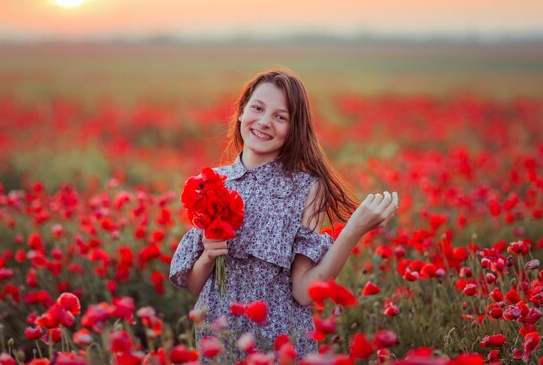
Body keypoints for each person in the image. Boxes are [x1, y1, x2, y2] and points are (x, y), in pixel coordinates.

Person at [169, 68, 398, 360]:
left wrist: (353, 230)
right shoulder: (212, 182)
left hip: (279, 343)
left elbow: (303, 292)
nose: (264, 122)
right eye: (257, 108)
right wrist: (208, 255)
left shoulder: (307, 189)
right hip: (220, 339)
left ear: (293, 128)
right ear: (241, 112)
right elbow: (194, 284)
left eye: (280, 117)